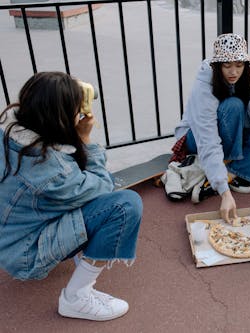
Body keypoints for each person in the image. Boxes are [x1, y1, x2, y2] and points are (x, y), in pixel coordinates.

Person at [0, 72, 143, 320]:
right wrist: (85, 140)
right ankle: (76, 298)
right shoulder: (49, 169)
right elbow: (102, 185)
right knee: (125, 207)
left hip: (10, 236)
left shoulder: (9, 131)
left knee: (83, 196)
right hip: (25, 254)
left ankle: (78, 254)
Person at [174, 33, 250, 221]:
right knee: (234, 105)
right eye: (227, 65)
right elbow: (207, 139)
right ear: (216, 65)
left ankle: (229, 174)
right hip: (195, 138)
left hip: (228, 135)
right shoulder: (203, 87)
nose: (233, 72)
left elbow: (248, 123)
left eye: (239, 65)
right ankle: (224, 175)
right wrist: (225, 193)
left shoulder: (243, 80)